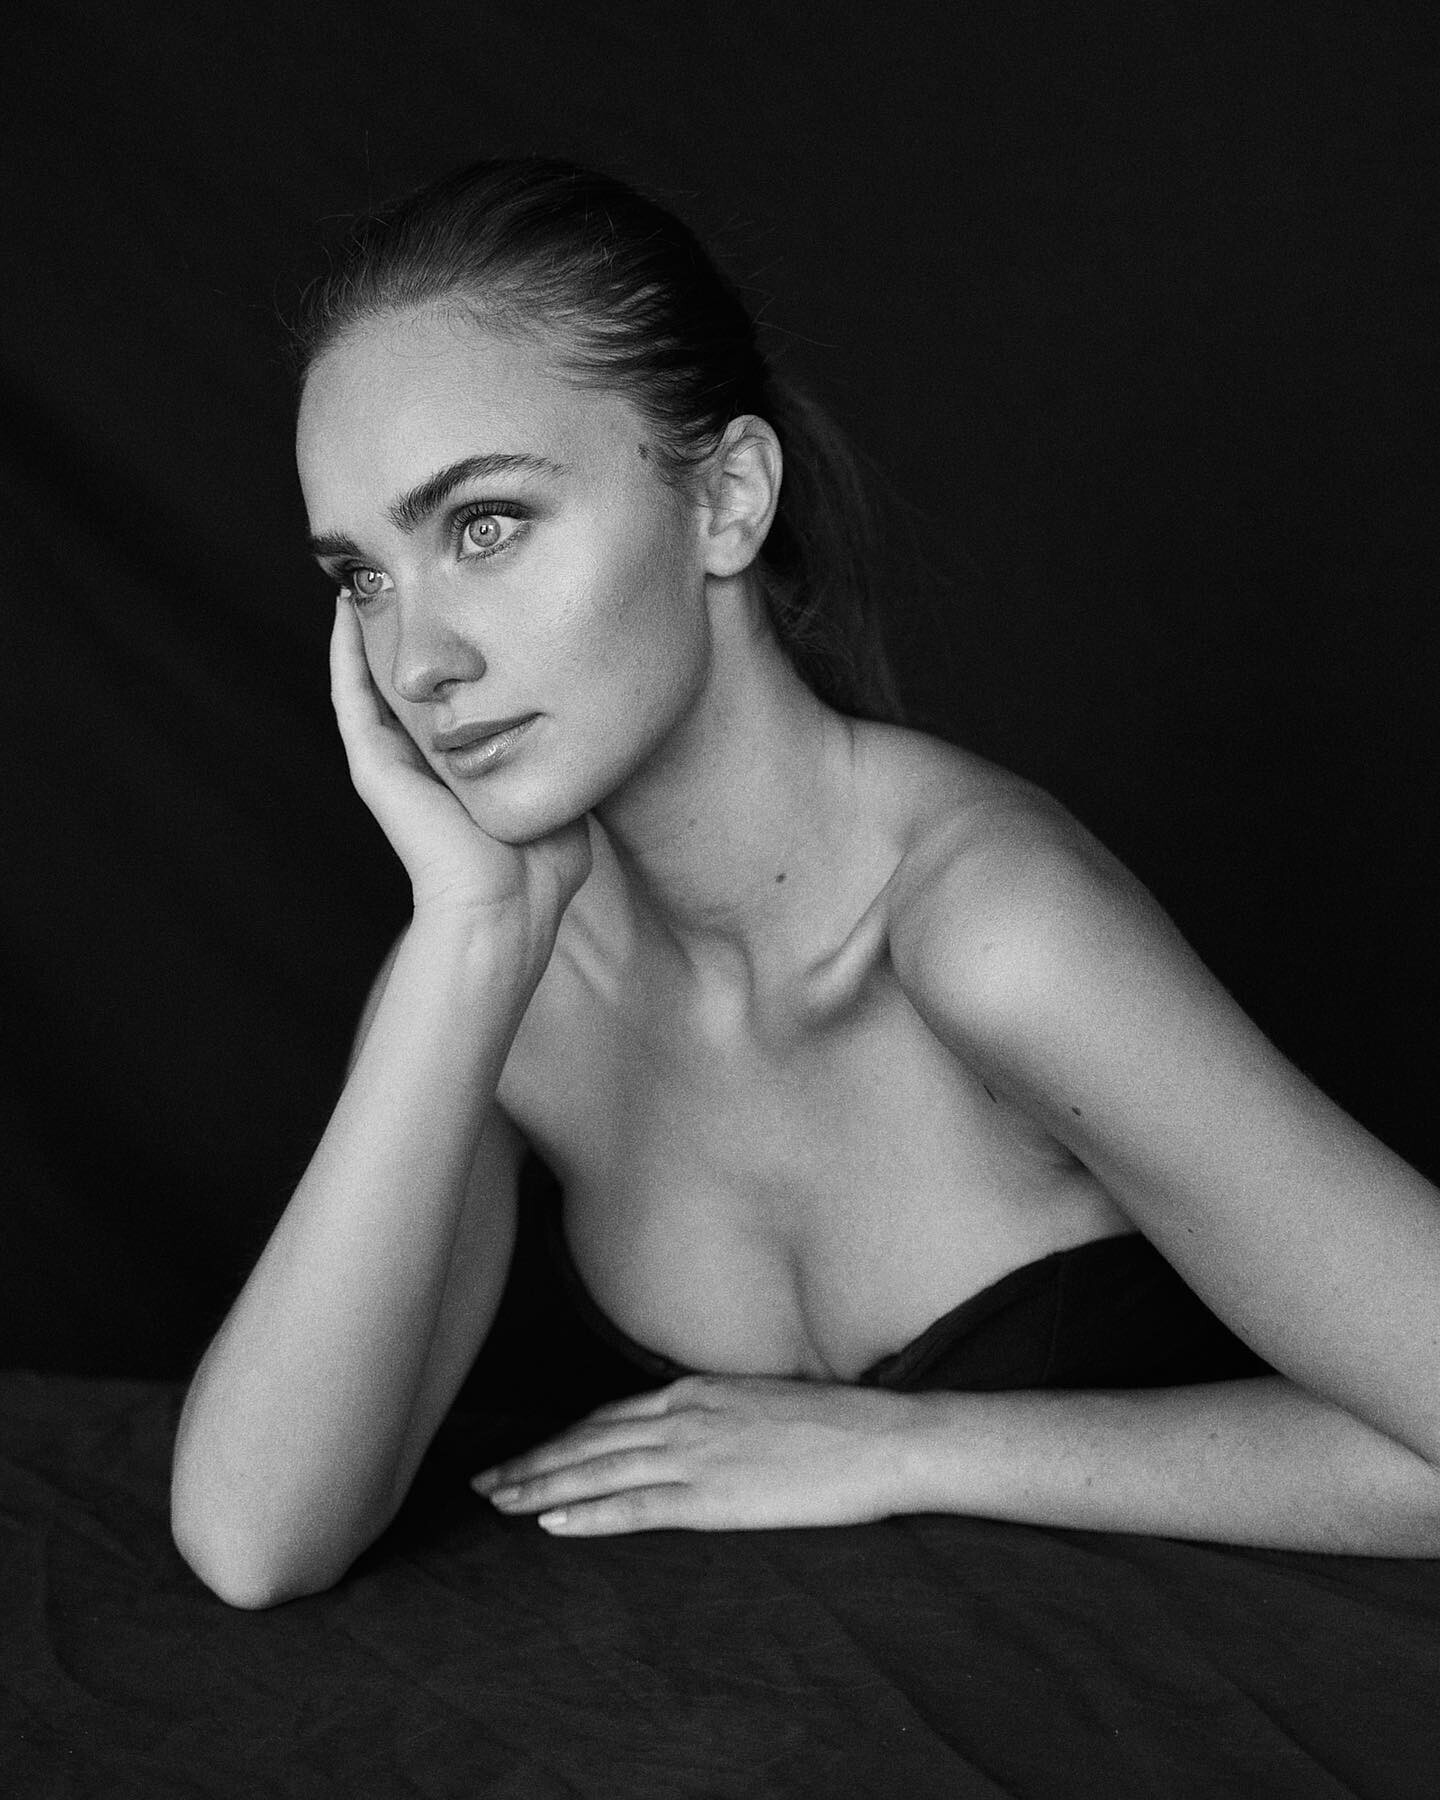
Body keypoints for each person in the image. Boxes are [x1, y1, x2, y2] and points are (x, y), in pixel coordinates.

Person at [170, 156, 1440, 1609]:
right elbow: (254, 1542)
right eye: (363, 577)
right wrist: (468, 935)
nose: (420, 660)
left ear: (727, 501)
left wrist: (912, 1449)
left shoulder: (992, 932)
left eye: (487, 525)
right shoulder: (515, 976)